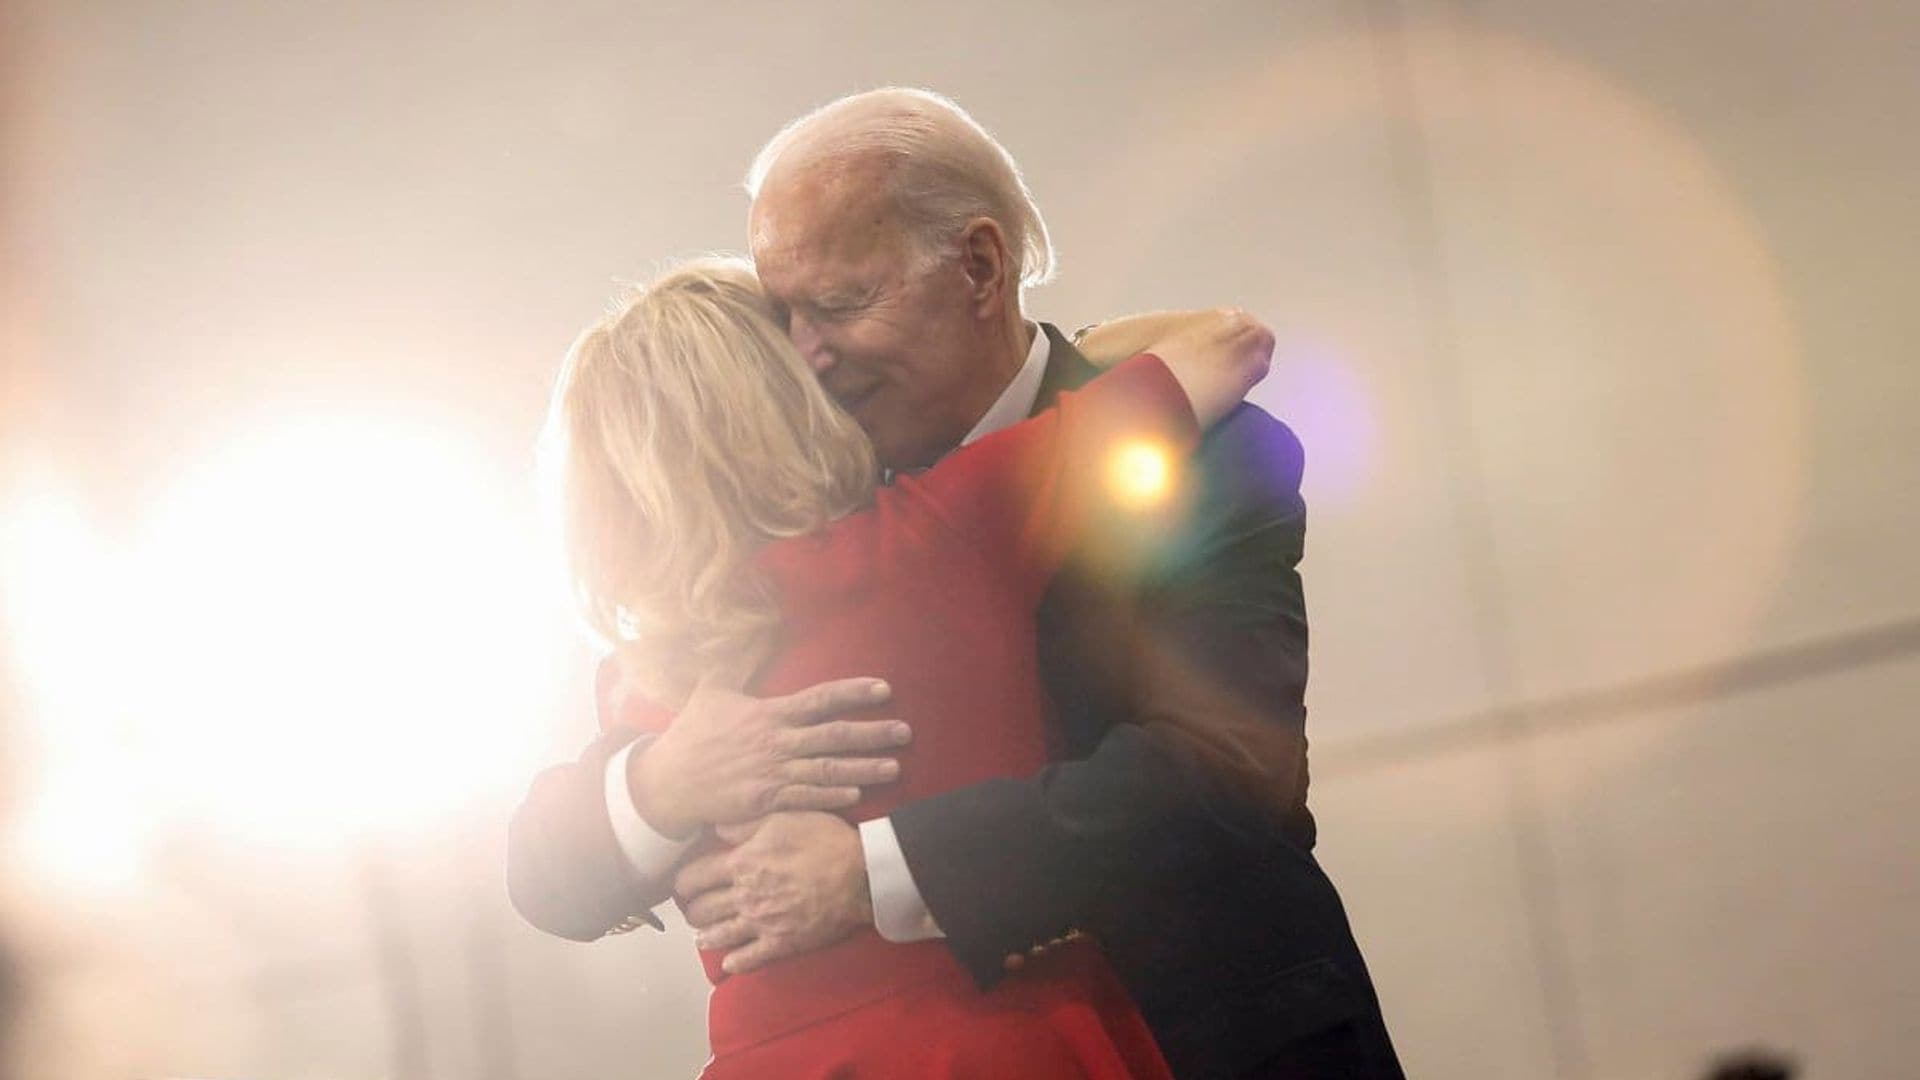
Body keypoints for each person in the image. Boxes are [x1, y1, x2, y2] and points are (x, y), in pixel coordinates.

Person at [510, 88, 1402, 1079]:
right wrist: (659, 782)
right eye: (784, 318)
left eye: (843, 303)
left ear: (980, 265)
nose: (810, 353)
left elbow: (1226, 776)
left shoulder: (1199, 454)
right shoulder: (803, 517)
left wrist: (873, 872)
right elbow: (549, 877)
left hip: (1215, 1040)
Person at [527, 255, 1271, 1075]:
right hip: (989, 1046)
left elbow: (553, 879)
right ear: (785, 391)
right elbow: (1227, 347)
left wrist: (657, 786)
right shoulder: (946, 526)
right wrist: (1061, 350)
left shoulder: (642, 683)